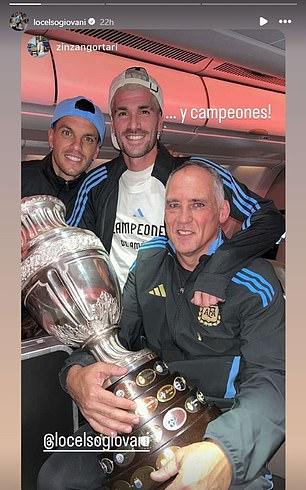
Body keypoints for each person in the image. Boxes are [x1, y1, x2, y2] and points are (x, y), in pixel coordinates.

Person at [38, 161, 284, 489]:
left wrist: (225, 453)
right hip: (148, 405)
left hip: (226, 418)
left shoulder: (255, 282)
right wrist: (75, 375)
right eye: (173, 205)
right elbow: (113, 334)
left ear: (223, 211)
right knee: (58, 477)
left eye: (197, 204)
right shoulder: (149, 261)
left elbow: (272, 381)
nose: (183, 219)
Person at [69, 66, 284, 303]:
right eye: (122, 113)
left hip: (181, 315)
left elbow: (268, 218)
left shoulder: (198, 173)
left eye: (144, 112)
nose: (133, 125)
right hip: (119, 319)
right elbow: (73, 250)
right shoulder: (94, 184)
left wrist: (219, 266)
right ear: (114, 125)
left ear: (160, 121)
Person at [22, 96, 106, 220]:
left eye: (88, 139)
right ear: (51, 137)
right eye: (67, 133)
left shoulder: (96, 198)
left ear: (96, 151)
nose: (77, 146)